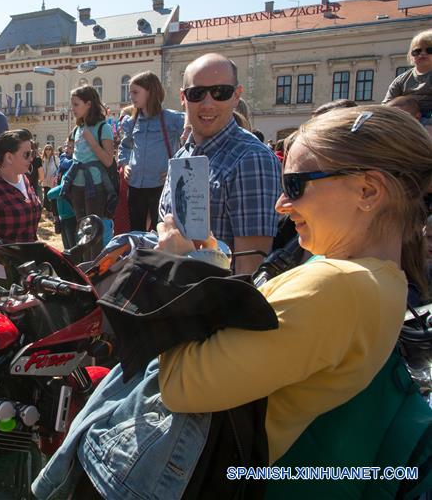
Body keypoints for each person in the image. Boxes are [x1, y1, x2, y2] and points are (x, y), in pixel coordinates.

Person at [34, 105, 432, 498]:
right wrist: (206, 261)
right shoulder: (382, 281)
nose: (281, 204)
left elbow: (180, 385)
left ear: (368, 191)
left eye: (295, 185)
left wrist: (175, 264)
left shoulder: (339, 285)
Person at [158, 53, 282, 275]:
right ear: (183, 98)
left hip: (213, 303)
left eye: (220, 93)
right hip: (173, 295)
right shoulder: (182, 155)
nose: (208, 104)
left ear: (236, 96)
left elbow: (249, 271)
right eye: (197, 93)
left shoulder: (251, 159)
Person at [117, 72, 185, 232]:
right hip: (135, 185)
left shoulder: (172, 119)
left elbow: (191, 142)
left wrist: (176, 169)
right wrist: (125, 164)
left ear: (150, 91)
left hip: (161, 185)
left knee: (160, 230)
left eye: (135, 92)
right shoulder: (131, 122)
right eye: (130, 92)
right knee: (136, 231)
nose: (131, 97)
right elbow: (125, 146)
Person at [62, 86, 115, 256]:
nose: (73, 109)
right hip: (77, 185)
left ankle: (95, 269)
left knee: (94, 230)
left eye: (76, 105)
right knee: (81, 230)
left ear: (89, 104)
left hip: (96, 186)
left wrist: (92, 142)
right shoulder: (77, 129)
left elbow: (108, 160)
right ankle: (84, 267)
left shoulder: (103, 128)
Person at [384, 28, 432, 108]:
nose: (423, 53)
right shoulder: (401, 80)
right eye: (417, 51)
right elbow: (387, 104)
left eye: (429, 50)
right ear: (411, 55)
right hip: (407, 117)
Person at [39, 144, 59, 215]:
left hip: (52, 180)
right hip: (45, 180)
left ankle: (52, 211)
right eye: (46, 149)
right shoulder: (42, 159)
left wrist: (55, 175)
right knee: (46, 195)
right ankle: (48, 210)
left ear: (52, 150)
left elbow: (59, 168)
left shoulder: (55, 158)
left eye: (49, 149)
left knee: (52, 195)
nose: (48, 151)